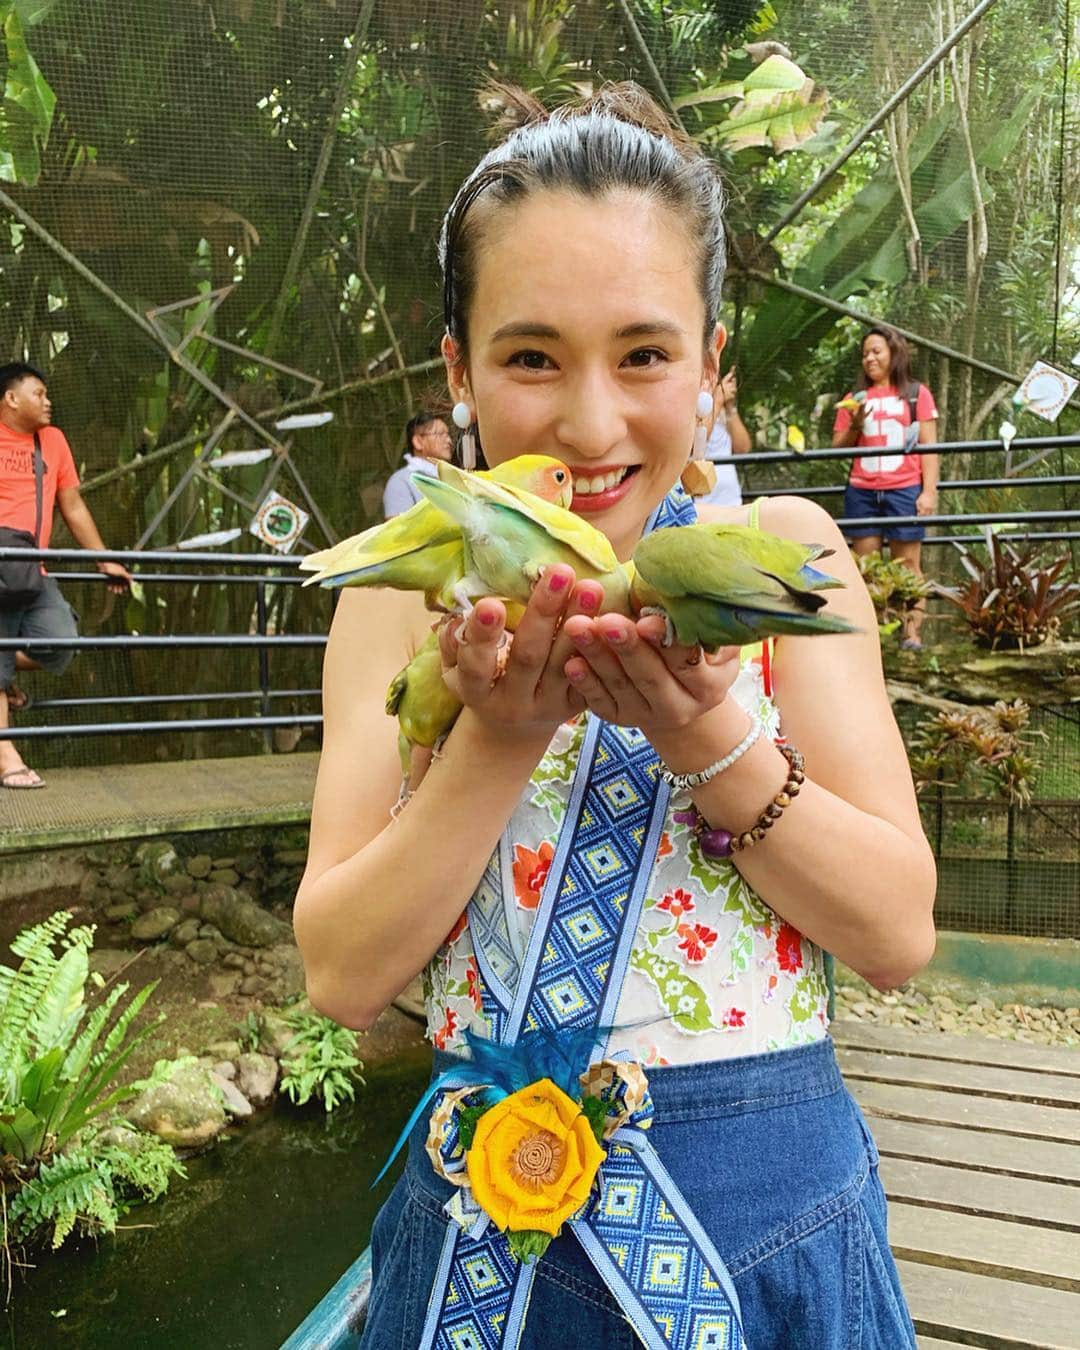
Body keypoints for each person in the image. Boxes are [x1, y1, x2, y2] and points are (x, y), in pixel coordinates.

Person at [295, 85, 934, 1348]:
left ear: (711, 367)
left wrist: (713, 741)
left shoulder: (782, 553)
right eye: (530, 356)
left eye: (645, 354)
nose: (590, 423)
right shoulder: (399, 601)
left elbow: (898, 932)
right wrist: (498, 735)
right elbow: (342, 971)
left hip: (775, 1236)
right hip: (483, 1260)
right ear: (458, 373)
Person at [0, 362, 132, 789]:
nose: (47, 400)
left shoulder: (52, 442)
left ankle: (5, 672)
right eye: (38, 392)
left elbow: (72, 506)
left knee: (60, 642)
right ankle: (8, 762)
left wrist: (104, 559)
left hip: (30, 570)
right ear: (11, 398)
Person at [833, 326, 939, 649]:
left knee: (907, 566)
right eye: (865, 353)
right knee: (868, 566)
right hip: (862, 490)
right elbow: (838, 447)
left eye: (876, 351)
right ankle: (875, 636)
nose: (870, 358)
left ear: (894, 353)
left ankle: (911, 633)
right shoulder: (854, 400)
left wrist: (929, 491)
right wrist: (856, 423)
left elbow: (929, 447)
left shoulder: (916, 394)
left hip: (903, 488)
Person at [381, 410, 454, 517]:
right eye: (440, 434)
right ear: (418, 442)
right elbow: (400, 530)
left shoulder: (451, 477)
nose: (449, 440)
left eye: (448, 434)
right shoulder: (400, 482)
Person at [701, 364, 752, 507]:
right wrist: (717, 400)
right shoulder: (693, 408)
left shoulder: (723, 412)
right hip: (702, 505)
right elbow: (696, 444)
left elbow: (743, 449)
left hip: (731, 501)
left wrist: (730, 407)